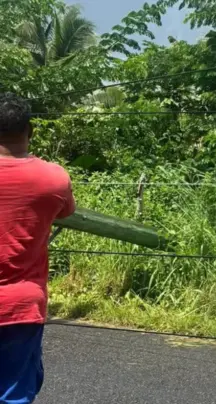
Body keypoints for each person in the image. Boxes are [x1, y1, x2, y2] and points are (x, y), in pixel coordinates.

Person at [0, 93, 76, 403]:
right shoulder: (54, 179)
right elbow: (65, 212)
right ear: (30, 131)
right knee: (14, 395)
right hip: (21, 307)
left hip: (22, 307)